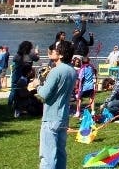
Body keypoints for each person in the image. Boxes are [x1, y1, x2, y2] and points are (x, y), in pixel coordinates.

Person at [38, 40, 76, 169]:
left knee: (47, 156)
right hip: (63, 117)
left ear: (61, 55)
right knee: (60, 154)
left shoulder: (56, 71)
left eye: (55, 49)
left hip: (51, 117)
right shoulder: (72, 71)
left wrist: (37, 86)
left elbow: (44, 94)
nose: (52, 51)